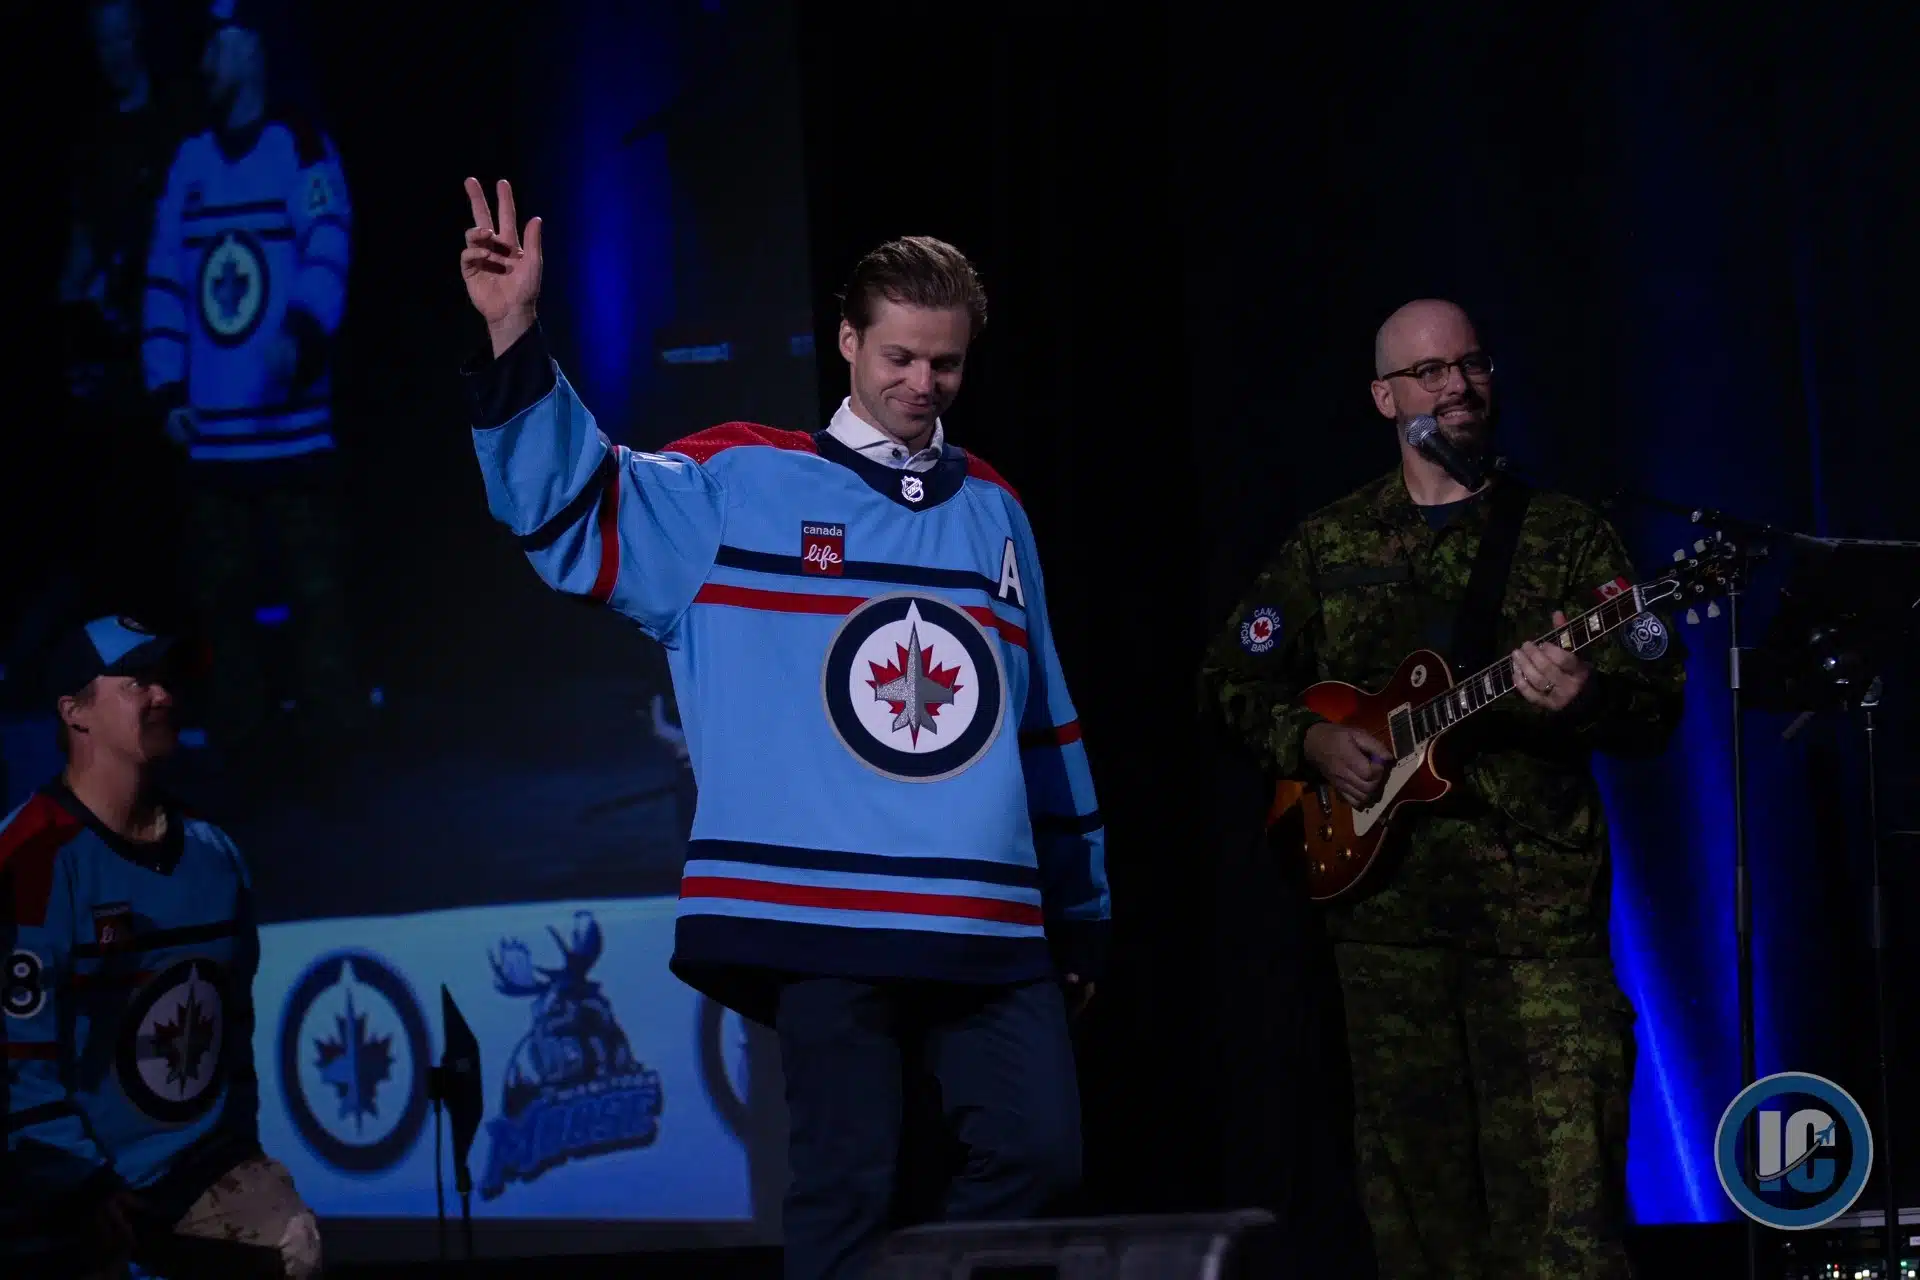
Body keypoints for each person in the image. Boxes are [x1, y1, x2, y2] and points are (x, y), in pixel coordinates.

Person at [458, 177, 1107, 1279]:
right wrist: (514, 331)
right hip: (820, 907)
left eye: (944, 362)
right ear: (848, 340)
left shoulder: (993, 505)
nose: (920, 382)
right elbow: (567, 508)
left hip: (983, 916)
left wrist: (1080, 910)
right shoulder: (736, 480)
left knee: (1042, 1157)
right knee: (847, 1182)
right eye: (898, 355)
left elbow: (1042, 719)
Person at [1199, 299, 1687, 1278]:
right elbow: (1225, 680)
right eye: (1429, 372)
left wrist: (1585, 696)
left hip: (1540, 935)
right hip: (1384, 941)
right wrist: (1313, 741)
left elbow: (1655, 710)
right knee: (1420, 1231)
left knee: (1568, 1225)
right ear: (1385, 397)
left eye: (1472, 365)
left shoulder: (1565, 536)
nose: (1457, 386)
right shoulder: (1329, 544)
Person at [0, 617, 320, 1278]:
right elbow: (15, 1063)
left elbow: (231, 1033)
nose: (164, 695)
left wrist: (242, 1155)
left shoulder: (216, 858)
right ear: (74, 712)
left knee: (295, 1246)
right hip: (63, 1181)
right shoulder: (29, 861)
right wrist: (78, 1185)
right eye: (138, 681)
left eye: (168, 681)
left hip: (198, 1170)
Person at [142, 0, 359, 759]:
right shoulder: (190, 161)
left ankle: (332, 753)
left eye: (221, 44)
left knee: (316, 601)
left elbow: (329, 246)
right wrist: (166, 388)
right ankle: (242, 753)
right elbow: (165, 281)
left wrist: (299, 334)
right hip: (215, 439)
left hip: (291, 428)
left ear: (254, 49)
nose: (209, 61)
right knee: (223, 608)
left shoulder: (297, 147)